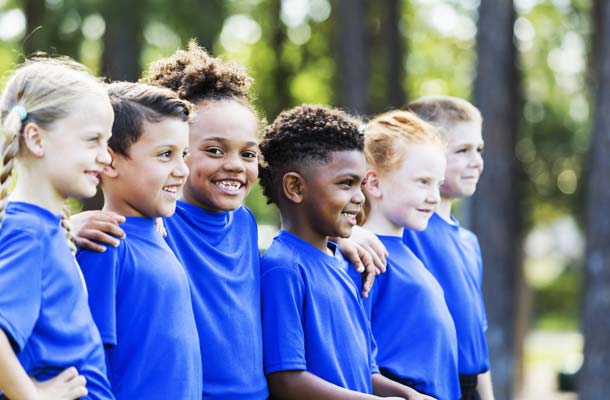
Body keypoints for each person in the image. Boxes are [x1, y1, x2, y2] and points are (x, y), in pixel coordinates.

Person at [72, 41, 379, 400]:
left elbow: (301, 240)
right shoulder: (159, 222)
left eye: (248, 153)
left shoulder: (246, 223)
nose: (234, 164)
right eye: (214, 150)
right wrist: (68, 227)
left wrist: (345, 234)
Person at [258, 104, 434, 400]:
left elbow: (367, 372)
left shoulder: (349, 265)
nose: (359, 197)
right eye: (346, 184)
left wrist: (409, 395)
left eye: (361, 184)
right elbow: (287, 381)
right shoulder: (283, 269)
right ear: (295, 188)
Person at [76, 81, 202, 399]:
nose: (183, 170)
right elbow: (90, 370)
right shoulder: (104, 245)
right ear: (109, 160)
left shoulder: (161, 234)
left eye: (183, 154)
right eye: (165, 155)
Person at [0, 57, 115, 400]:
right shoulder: (27, 232)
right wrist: (33, 397)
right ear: (36, 139)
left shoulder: (44, 230)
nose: (106, 157)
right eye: (92, 140)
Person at [354, 109, 459, 399]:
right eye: (422, 182)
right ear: (373, 183)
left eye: (437, 184)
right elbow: (353, 361)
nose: (434, 197)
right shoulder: (364, 257)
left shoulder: (411, 252)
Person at [402, 96, 494, 400]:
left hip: (469, 389)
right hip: (427, 387)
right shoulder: (406, 230)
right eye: (462, 150)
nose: (476, 161)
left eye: (478, 149)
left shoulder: (469, 242)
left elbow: (476, 336)